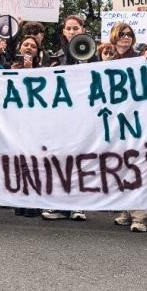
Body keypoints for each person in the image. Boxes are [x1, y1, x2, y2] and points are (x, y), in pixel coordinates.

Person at [42, 14, 94, 222]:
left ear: (82, 30)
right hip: (61, 116)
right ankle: (58, 204)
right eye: (69, 28)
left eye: (76, 28)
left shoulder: (93, 54)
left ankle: (78, 205)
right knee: (59, 158)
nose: (72, 31)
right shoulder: (55, 56)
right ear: (64, 31)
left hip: (83, 115)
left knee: (80, 159)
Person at [101, 24, 147, 232]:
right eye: (121, 34)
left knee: (138, 164)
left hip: (137, 118)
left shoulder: (141, 56)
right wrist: (102, 64)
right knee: (119, 165)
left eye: (129, 34)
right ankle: (125, 211)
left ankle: (140, 215)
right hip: (113, 120)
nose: (125, 37)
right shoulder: (105, 58)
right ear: (113, 37)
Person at [10, 35, 44, 218]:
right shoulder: (10, 68)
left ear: (37, 51)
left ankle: (33, 202)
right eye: (25, 45)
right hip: (16, 123)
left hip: (36, 123)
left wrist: (31, 71)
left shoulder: (45, 70)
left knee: (35, 162)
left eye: (33, 45)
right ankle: (19, 201)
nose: (29, 47)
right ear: (20, 48)